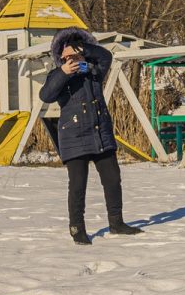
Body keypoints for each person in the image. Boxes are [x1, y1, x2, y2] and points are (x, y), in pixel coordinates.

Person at [40, 27, 140, 245]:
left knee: (113, 179)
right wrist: (64, 72)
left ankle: (117, 222)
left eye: (75, 56)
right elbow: (46, 95)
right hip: (74, 137)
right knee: (77, 185)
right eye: (66, 58)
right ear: (60, 59)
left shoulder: (94, 72)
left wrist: (82, 47)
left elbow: (106, 56)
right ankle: (77, 228)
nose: (72, 60)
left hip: (100, 133)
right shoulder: (57, 76)